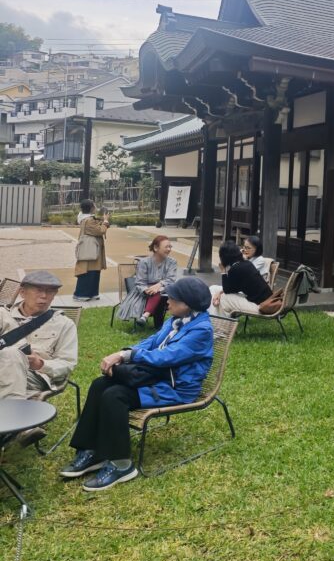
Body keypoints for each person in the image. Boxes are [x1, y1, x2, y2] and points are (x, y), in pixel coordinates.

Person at [59, 276, 214, 491]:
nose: (166, 301)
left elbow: (167, 356)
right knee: (100, 384)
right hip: (157, 377)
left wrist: (127, 356)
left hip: (175, 388)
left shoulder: (202, 330)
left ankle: (122, 464)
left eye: (171, 298)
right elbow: (151, 342)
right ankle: (92, 450)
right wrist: (124, 352)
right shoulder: (175, 320)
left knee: (115, 395)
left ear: (186, 304)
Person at [0, 271, 79, 445]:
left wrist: (41, 364)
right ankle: (18, 423)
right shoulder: (3, 315)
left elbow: (67, 364)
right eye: (38, 290)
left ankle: (15, 422)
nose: (44, 296)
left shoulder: (64, 324)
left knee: (11, 354)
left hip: (34, 376)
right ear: (22, 292)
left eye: (50, 291)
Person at [116, 235, 178, 327]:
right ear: (156, 248)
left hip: (165, 289)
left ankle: (145, 316)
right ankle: (156, 324)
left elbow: (171, 279)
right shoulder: (144, 262)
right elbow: (140, 282)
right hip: (143, 292)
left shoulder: (172, 262)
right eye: (166, 247)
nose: (169, 249)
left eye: (170, 247)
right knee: (156, 293)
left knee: (161, 293)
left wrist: (159, 285)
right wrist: (147, 290)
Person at [211, 241, 272, 317]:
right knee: (213, 288)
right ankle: (213, 317)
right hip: (265, 301)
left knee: (223, 298)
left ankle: (220, 320)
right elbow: (232, 289)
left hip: (261, 306)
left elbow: (227, 290)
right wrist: (219, 292)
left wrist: (223, 271)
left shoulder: (235, 268)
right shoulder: (246, 263)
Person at [72, 199, 109, 301]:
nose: (96, 207)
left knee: (94, 271)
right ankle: (81, 294)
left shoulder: (86, 218)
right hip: (91, 250)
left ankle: (92, 293)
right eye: (94, 206)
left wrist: (103, 219)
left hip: (92, 249)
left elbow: (97, 225)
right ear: (91, 208)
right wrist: (106, 222)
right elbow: (100, 230)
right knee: (87, 272)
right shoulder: (89, 220)